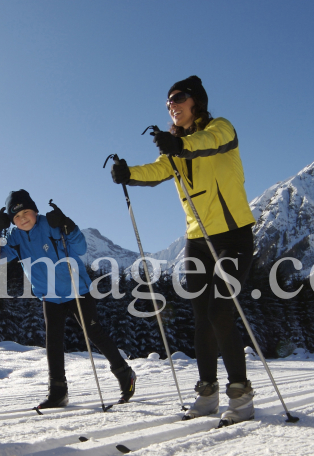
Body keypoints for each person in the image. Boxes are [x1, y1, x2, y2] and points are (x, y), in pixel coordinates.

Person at [110, 76, 257, 424]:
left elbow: (209, 142)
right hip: (197, 239)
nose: (171, 105)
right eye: (167, 103)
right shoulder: (175, 145)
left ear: (196, 102)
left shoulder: (221, 129)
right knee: (202, 317)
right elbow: (160, 169)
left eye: (177, 98)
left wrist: (179, 146)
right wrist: (128, 173)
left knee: (222, 313)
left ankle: (241, 396)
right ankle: (207, 394)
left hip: (232, 235)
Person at [0, 190, 137, 408]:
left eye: (26, 212)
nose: (22, 218)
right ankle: (58, 392)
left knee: (95, 333)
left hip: (77, 290)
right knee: (53, 342)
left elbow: (81, 248)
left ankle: (125, 374)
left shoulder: (52, 224)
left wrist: (69, 226)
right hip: (50, 296)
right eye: (16, 217)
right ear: (12, 221)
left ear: (35, 211)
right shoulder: (15, 238)